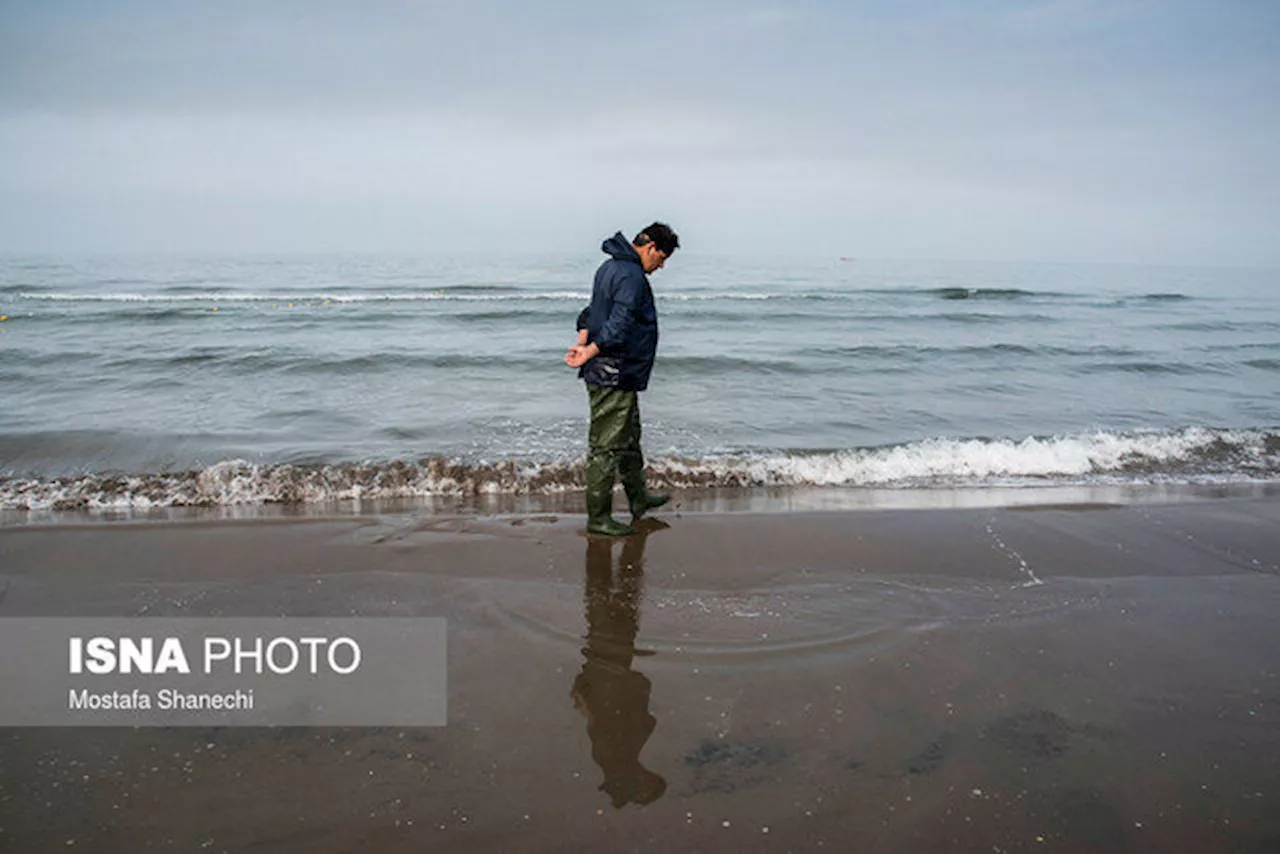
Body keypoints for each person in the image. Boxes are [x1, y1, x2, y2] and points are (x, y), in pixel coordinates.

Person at [565, 223, 679, 536]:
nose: (662, 264)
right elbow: (620, 323)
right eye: (663, 257)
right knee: (605, 448)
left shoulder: (610, 267)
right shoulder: (632, 276)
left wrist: (583, 339)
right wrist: (589, 352)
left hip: (619, 373)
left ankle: (639, 499)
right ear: (652, 247)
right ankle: (598, 518)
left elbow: (591, 311)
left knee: (629, 440)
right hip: (613, 373)